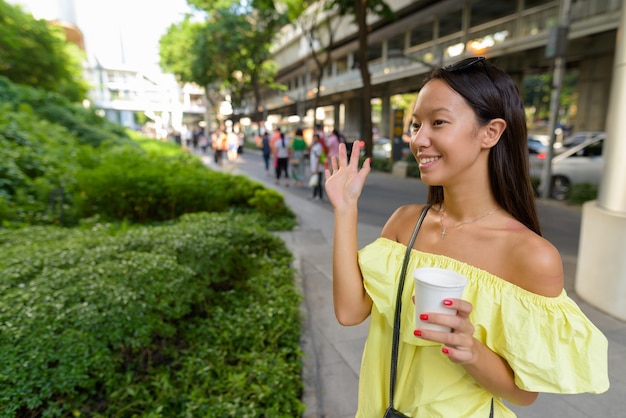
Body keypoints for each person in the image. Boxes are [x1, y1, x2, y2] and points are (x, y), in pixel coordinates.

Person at [324, 57, 609, 417]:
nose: (418, 139)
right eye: (416, 125)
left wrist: (469, 349)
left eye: (438, 122)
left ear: (490, 132)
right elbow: (350, 312)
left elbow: (524, 394)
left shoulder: (532, 256)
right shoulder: (406, 223)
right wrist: (345, 209)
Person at [309, 133, 324, 200]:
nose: (314, 139)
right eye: (313, 138)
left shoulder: (319, 147)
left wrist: (316, 168)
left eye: (315, 138)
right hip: (314, 167)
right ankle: (314, 195)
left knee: (318, 182)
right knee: (315, 182)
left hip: (318, 168)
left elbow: (318, 157)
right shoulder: (314, 146)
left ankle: (320, 196)